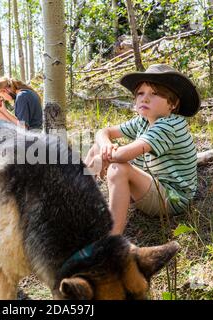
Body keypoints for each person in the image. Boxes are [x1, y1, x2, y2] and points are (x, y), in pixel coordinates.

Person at [84, 64, 201, 235]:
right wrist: (105, 146)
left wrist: (103, 158)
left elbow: (122, 155)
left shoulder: (169, 126)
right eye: (140, 93)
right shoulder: (144, 120)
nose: (144, 99)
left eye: (154, 94)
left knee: (117, 169)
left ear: (173, 104)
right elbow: (104, 132)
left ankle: (111, 237)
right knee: (98, 146)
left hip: (171, 197)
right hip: (150, 182)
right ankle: (78, 194)